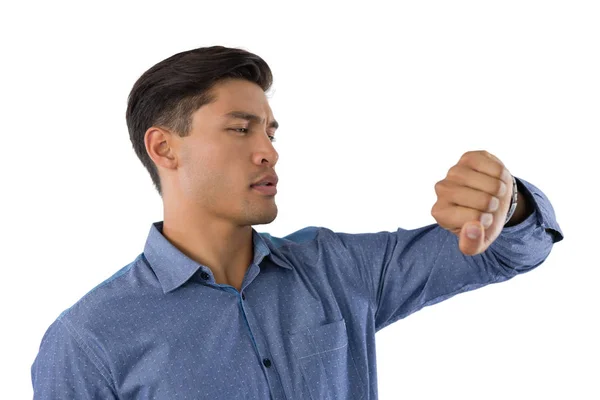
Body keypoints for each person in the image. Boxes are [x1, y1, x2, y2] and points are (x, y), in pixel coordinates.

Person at [31, 45, 564, 400]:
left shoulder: (337, 269)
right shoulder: (87, 341)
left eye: (270, 132)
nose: (268, 152)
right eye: (241, 130)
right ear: (164, 147)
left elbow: (508, 253)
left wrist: (506, 202)